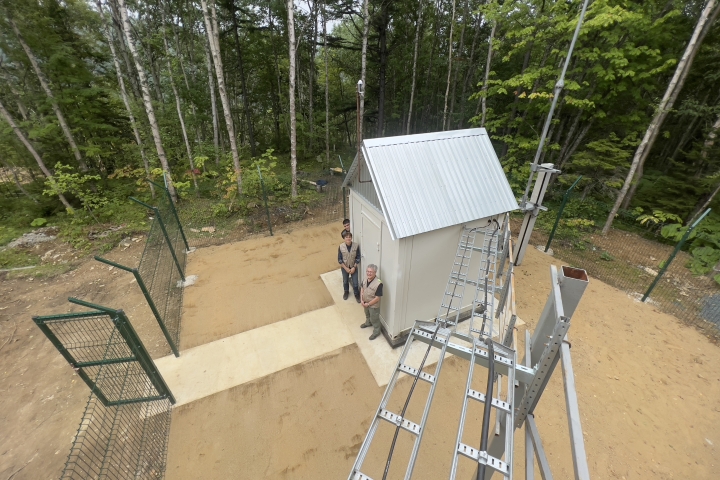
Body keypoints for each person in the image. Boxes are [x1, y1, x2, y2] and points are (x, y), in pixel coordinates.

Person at [360, 264, 383, 340]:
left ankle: (376, 332)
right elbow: (362, 289)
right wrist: (361, 300)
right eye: (367, 271)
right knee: (367, 315)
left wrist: (368, 304)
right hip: (365, 302)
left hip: (373, 306)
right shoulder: (365, 278)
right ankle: (368, 323)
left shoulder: (379, 283)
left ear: (375, 272)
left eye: (371, 272)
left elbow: (377, 298)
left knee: (374, 319)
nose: (368, 273)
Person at [338, 232, 361, 302]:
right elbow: (339, 259)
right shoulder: (341, 246)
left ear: (351, 238)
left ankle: (356, 294)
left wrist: (354, 267)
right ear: (344, 239)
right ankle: (346, 292)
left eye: (349, 237)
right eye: (346, 237)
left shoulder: (356, 246)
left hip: (353, 267)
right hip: (345, 268)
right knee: (345, 281)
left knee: (355, 282)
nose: (348, 238)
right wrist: (346, 268)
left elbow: (358, 257)